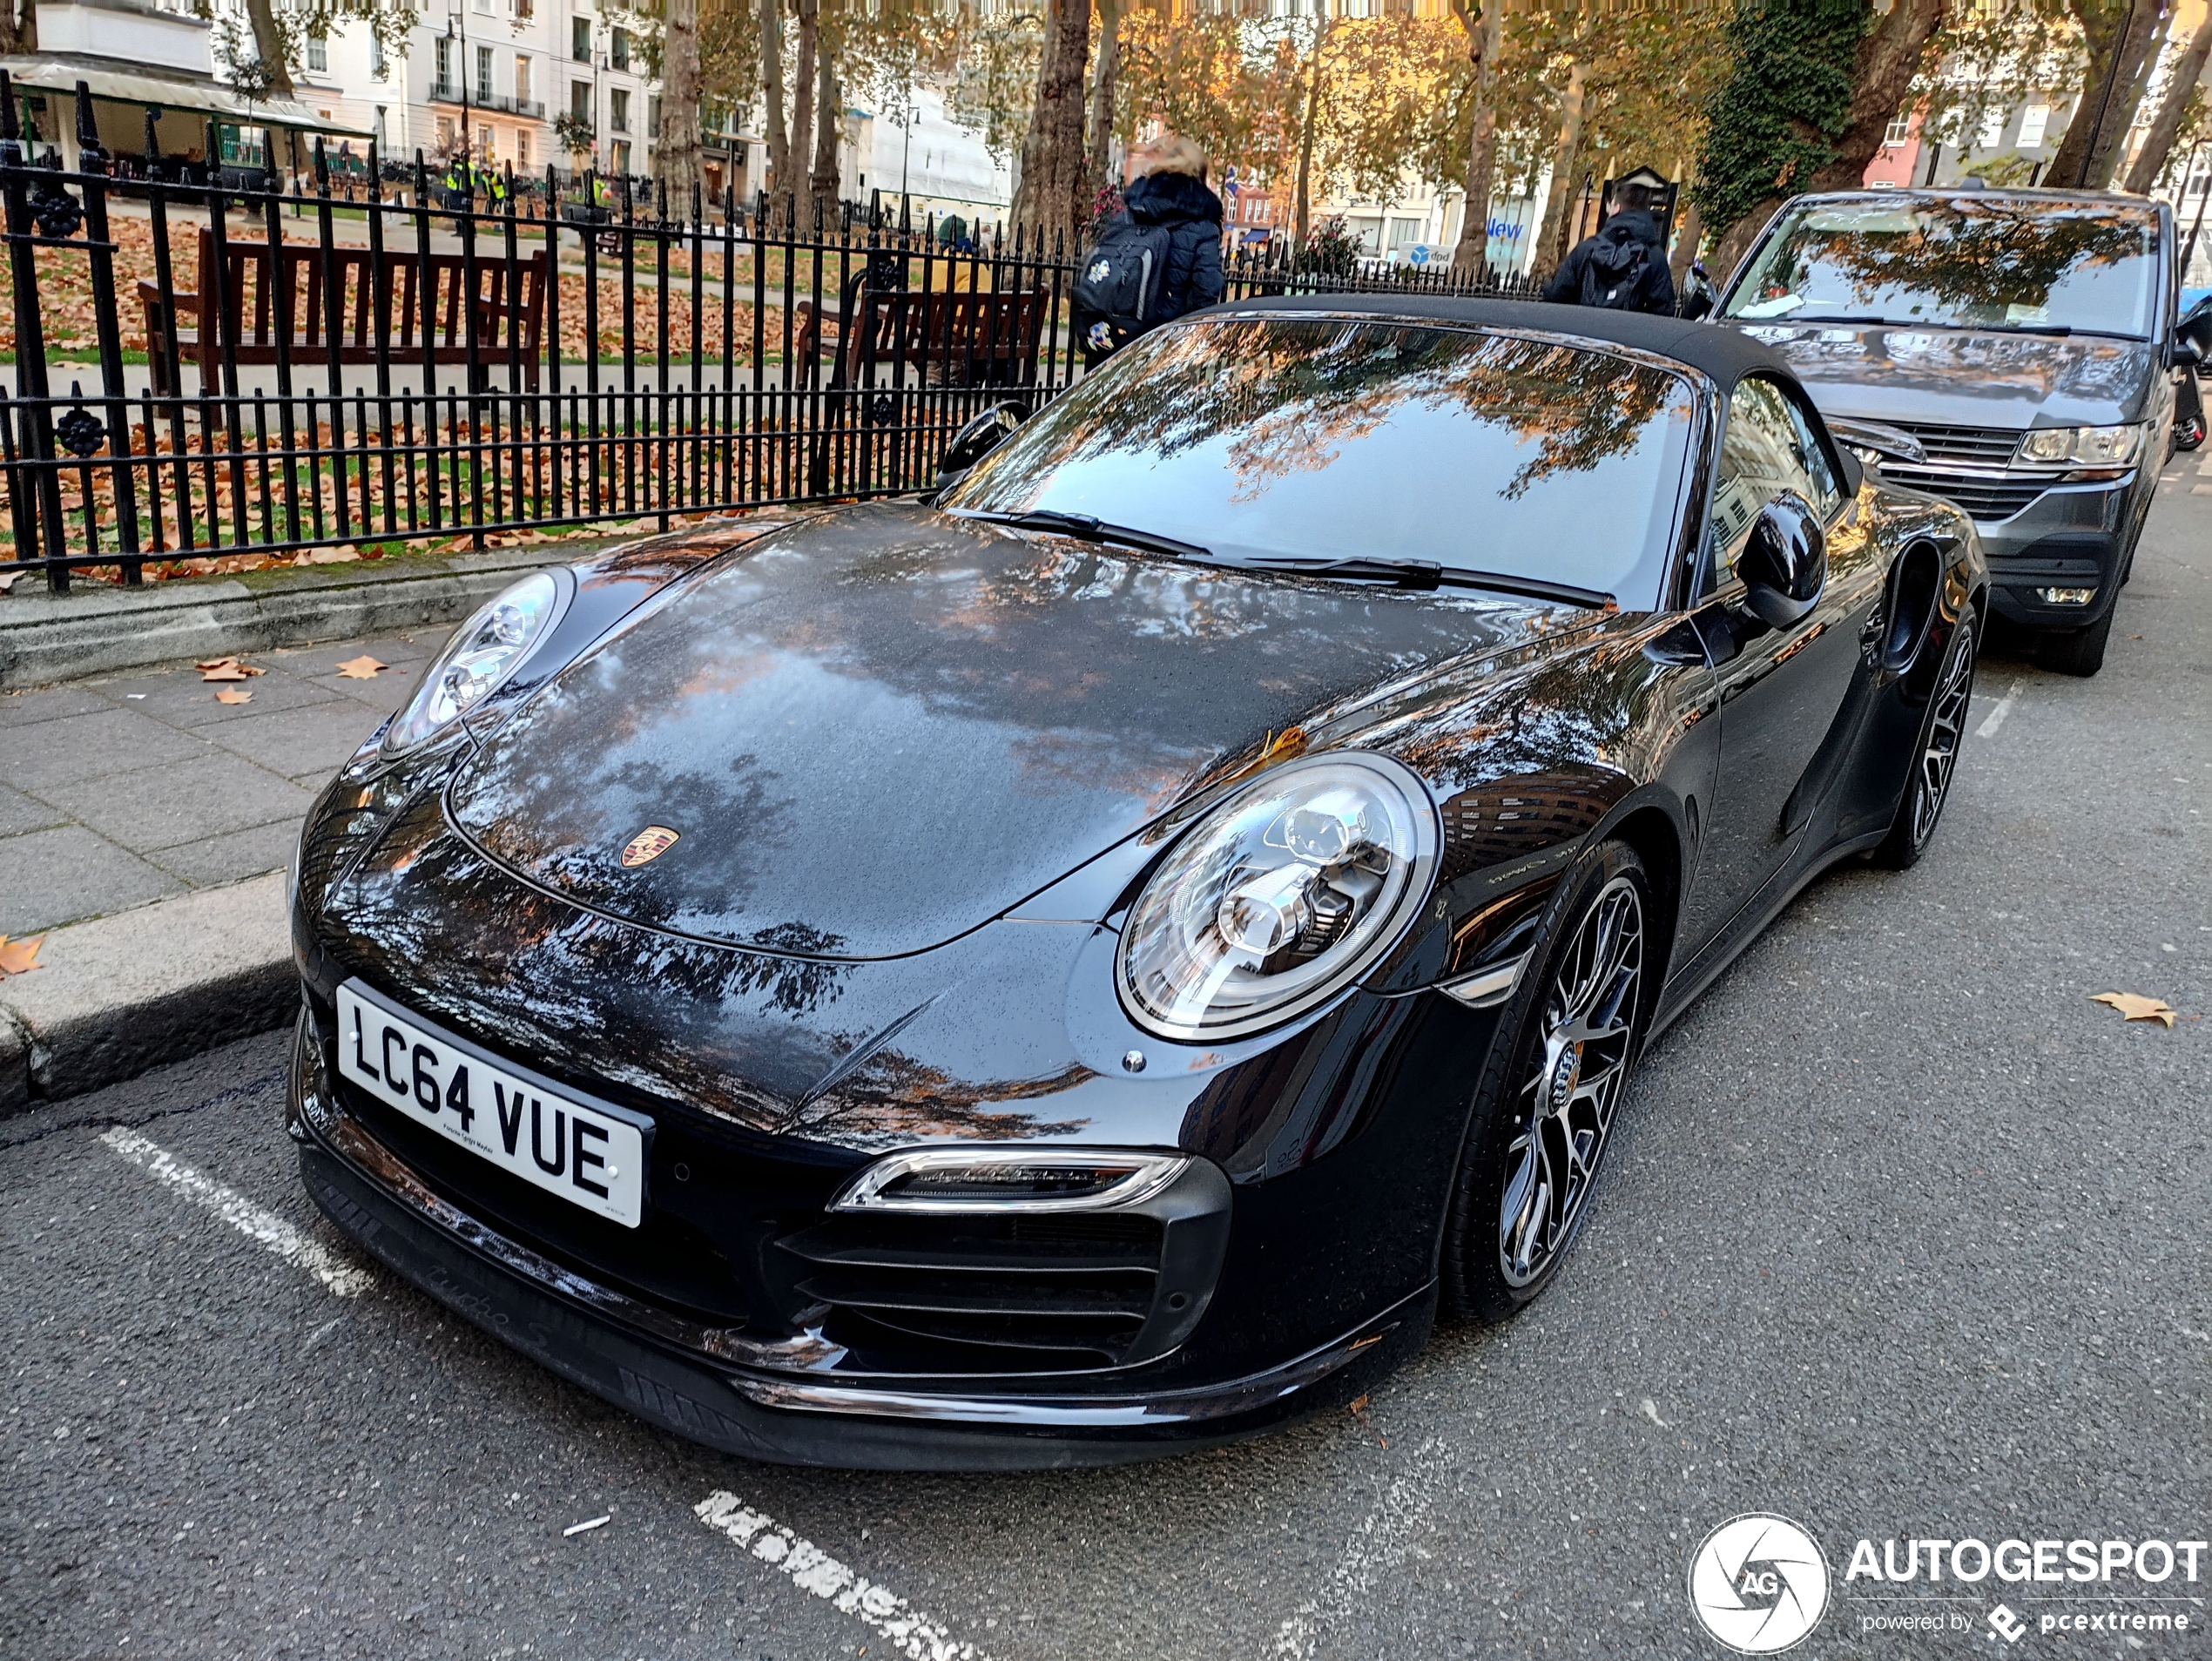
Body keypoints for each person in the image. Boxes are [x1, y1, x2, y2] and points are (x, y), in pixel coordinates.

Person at [1073, 132, 1225, 363]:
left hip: (1114, 337)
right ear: (1199, 172)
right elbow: (1207, 291)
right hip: (1164, 346)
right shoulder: (1203, 227)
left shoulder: (1131, 211)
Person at [1543, 183, 1676, 315]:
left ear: (1616, 208)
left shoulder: (1585, 249)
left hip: (1582, 332)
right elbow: (1663, 311)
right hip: (1627, 335)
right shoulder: (1655, 257)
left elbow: (1555, 296)